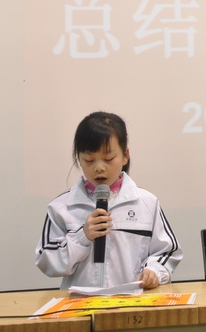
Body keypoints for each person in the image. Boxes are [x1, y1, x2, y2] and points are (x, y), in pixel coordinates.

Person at [35, 111, 182, 290]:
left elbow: (167, 251)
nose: (99, 167)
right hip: (81, 302)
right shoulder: (61, 207)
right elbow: (47, 261)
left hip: (131, 300)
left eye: (108, 159)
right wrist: (82, 236)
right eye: (89, 160)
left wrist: (154, 271)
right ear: (79, 159)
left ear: (125, 155)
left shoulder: (146, 203)